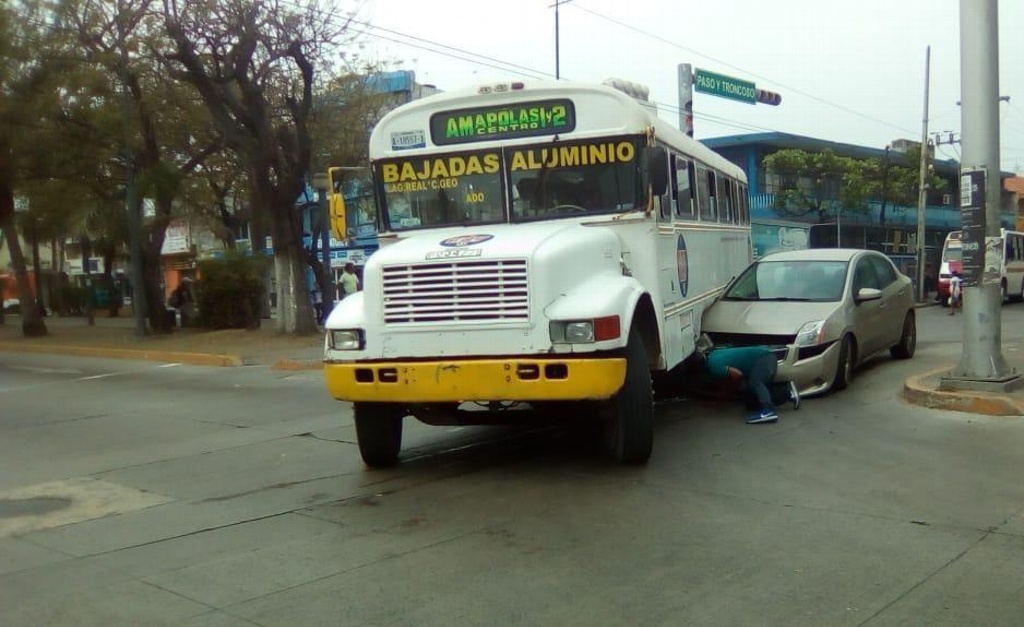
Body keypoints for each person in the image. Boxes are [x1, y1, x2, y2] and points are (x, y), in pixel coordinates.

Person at [702, 342, 800, 424]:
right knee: (750, 400)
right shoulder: (713, 354)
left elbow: (737, 374)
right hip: (765, 357)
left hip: (764, 359)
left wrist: (728, 392)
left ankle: (768, 411)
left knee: (755, 383)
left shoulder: (713, 367)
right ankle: (787, 392)